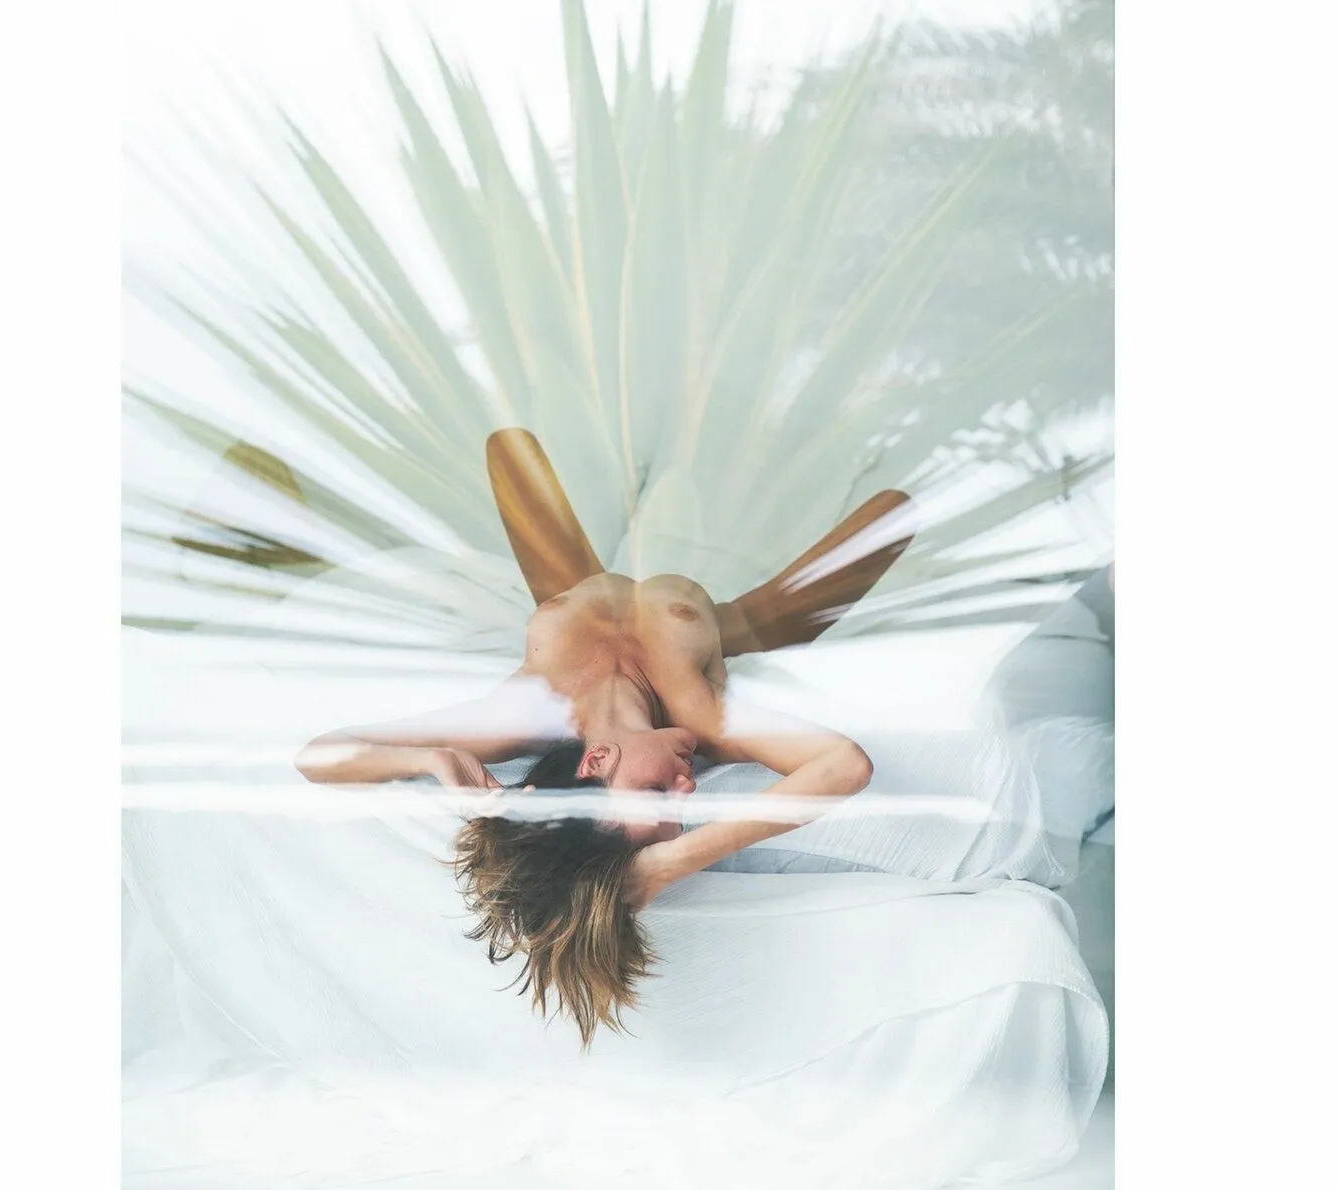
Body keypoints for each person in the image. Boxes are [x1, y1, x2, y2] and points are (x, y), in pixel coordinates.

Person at [295, 428, 914, 1044]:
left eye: (656, 794)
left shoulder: (526, 713)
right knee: (897, 515)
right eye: (680, 813)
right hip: (736, 626)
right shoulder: (700, 715)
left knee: (509, 448)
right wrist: (674, 860)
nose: (688, 787)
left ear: (593, 760)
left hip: (574, 591)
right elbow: (843, 764)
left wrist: (435, 759)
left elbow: (317, 756)